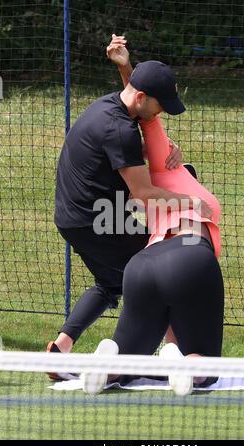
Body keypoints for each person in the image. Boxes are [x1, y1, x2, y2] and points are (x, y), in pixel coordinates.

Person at [47, 35, 212, 380]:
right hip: (97, 218)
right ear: (141, 98)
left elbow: (136, 104)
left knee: (110, 284)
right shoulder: (119, 128)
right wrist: (191, 203)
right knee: (159, 275)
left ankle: (60, 349)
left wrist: (125, 67)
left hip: (71, 214)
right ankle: (175, 357)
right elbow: (142, 193)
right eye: (160, 106)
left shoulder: (110, 104)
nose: (161, 112)